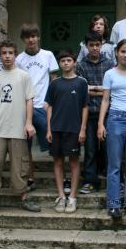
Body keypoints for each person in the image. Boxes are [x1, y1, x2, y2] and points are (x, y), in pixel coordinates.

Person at [0, 40, 40, 214]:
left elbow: (29, 100)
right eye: (4, 53)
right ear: (0, 56)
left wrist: (28, 122)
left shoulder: (24, 76)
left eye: (10, 53)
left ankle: (23, 197)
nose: (7, 56)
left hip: (18, 129)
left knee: (19, 166)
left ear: (15, 55)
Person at [98, 39, 126, 219]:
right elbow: (105, 99)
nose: (125, 55)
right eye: (122, 51)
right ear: (117, 53)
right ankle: (114, 204)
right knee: (114, 165)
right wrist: (100, 123)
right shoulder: (109, 74)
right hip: (115, 118)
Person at [16, 22, 59, 192]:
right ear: (23, 39)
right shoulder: (19, 59)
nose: (31, 40)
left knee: (53, 144)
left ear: (38, 37)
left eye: (33, 36)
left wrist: (52, 104)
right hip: (24, 108)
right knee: (25, 147)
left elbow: (54, 80)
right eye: (27, 37)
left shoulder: (48, 55)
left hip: (43, 106)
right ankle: (30, 178)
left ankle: (61, 178)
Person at [45, 50, 89, 214]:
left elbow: (85, 107)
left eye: (69, 60)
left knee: (74, 162)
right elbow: (49, 106)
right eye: (63, 61)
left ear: (74, 62)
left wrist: (83, 129)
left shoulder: (81, 82)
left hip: (74, 129)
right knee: (57, 162)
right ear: (59, 64)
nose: (66, 63)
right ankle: (61, 196)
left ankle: (72, 197)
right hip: (56, 128)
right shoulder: (55, 83)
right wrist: (49, 128)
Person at [76, 31, 114, 194]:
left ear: (102, 45)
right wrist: (102, 90)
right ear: (86, 46)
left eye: (97, 45)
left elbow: (111, 90)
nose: (94, 48)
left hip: (107, 113)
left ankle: (111, 180)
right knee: (90, 149)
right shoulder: (81, 65)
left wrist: (94, 89)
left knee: (108, 147)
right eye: (91, 45)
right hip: (89, 112)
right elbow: (82, 89)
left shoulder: (109, 64)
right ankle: (90, 180)